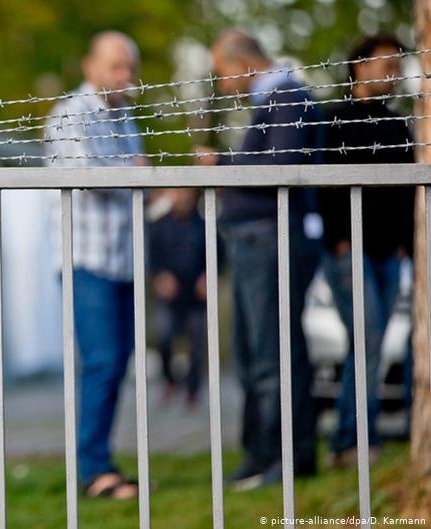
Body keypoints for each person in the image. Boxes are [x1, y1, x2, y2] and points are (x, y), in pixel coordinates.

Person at [196, 29, 323, 490]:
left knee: (274, 353)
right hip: (257, 242)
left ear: (243, 63)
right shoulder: (275, 99)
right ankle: (263, 454)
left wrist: (222, 166)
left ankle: (287, 457)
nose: (223, 83)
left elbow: (281, 165)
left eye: (223, 72)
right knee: (254, 355)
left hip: (272, 240)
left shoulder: (286, 96)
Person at [45, 30, 145, 500]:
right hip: (86, 258)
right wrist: (135, 171)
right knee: (102, 361)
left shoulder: (125, 117)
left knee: (117, 362)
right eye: (115, 66)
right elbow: (89, 178)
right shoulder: (71, 114)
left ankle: (100, 459)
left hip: (124, 259)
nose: (123, 76)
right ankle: (93, 470)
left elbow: (131, 177)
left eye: (128, 67)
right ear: (90, 66)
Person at [317, 34, 415, 468]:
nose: (392, 74)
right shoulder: (331, 119)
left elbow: (408, 191)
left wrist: (405, 248)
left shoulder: (399, 125)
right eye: (384, 65)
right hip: (347, 251)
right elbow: (320, 186)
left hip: (388, 255)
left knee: (369, 346)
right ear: (357, 66)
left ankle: (351, 439)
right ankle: (353, 442)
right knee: (369, 340)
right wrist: (338, 239)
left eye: (398, 66)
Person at [149, 189, 208, 409]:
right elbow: (151, 255)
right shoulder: (160, 225)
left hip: (195, 294)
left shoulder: (203, 225)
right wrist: (160, 275)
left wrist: (207, 276)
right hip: (169, 294)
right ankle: (170, 381)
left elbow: (218, 255)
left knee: (197, 343)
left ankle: (192, 390)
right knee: (164, 337)